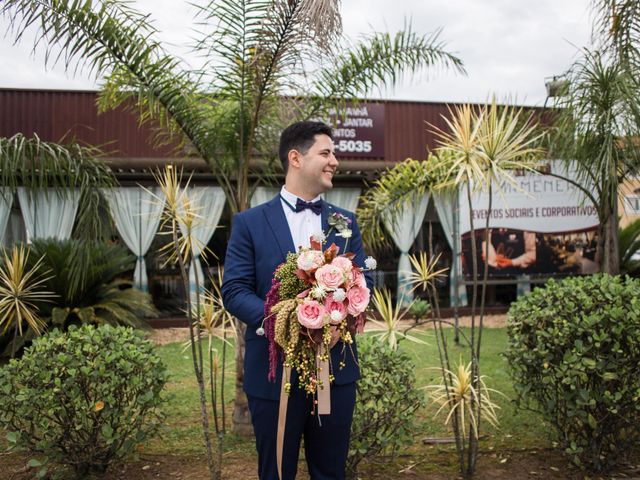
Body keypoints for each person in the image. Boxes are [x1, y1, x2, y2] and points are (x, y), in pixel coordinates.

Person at [221, 121, 371, 480]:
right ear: (296, 158)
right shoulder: (249, 223)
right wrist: (288, 320)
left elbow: (365, 284)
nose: (335, 160)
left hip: (335, 372)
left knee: (331, 473)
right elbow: (235, 290)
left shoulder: (345, 222)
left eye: (334, 153)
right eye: (326, 152)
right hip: (274, 376)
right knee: (275, 473)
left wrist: (340, 319)